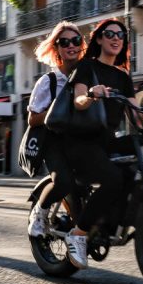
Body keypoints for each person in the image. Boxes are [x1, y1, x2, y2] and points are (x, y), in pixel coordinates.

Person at [63, 18, 137, 269]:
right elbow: (78, 100)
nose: (116, 38)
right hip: (82, 142)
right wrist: (92, 94)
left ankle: (112, 221)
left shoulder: (123, 76)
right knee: (114, 178)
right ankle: (79, 233)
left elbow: (136, 114)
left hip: (107, 142)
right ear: (99, 39)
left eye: (121, 35)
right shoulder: (86, 67)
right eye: (110, 34)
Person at [27, 21, 85, 237]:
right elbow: (32, 120)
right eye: (64, 42)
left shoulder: (87, 75)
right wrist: (57, 112)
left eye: (76, 40)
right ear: (57, 48)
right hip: (54, 142)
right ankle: (40, 213)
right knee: (64, 181)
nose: (71, 45)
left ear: (82, 44)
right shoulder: (48, 82)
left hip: (80, 140)